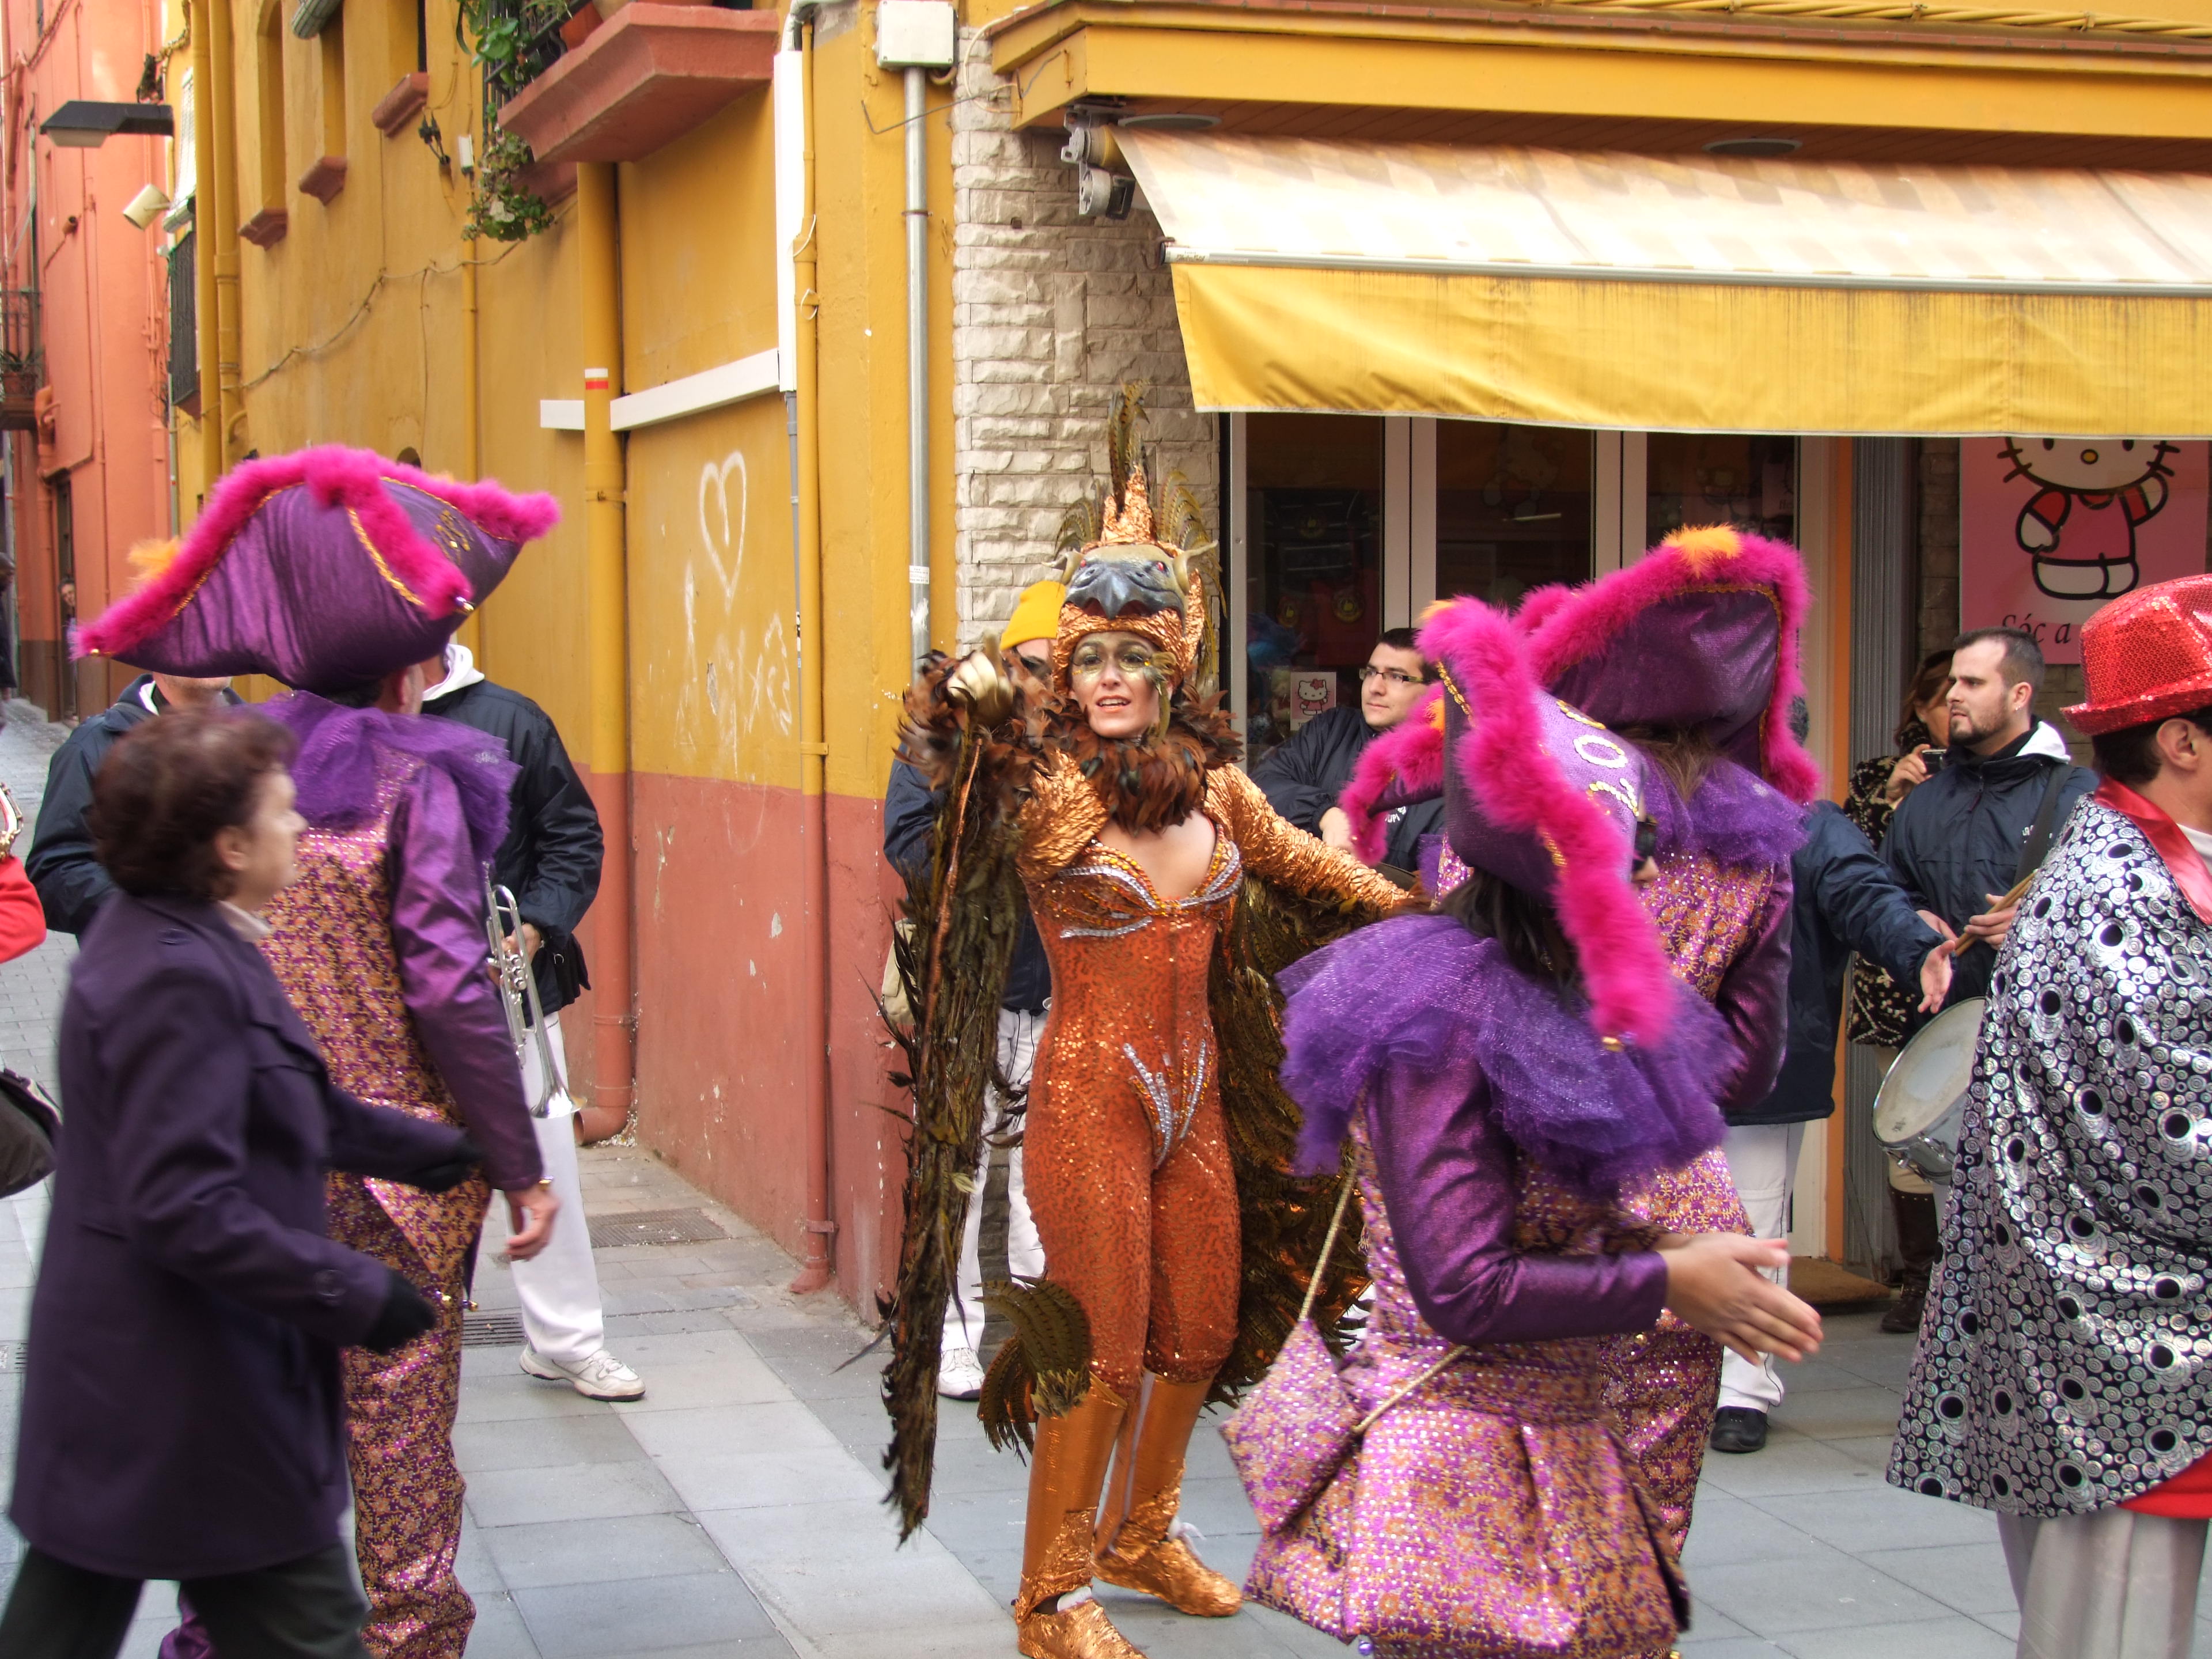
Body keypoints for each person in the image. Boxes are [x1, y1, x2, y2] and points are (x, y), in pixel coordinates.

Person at [882, 392, 1411, 1659]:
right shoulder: (1046, 793)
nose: (1112, 677)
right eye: (1091, 659)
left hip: (1197, 1097)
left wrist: (1452, 922)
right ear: (1064, 674)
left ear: (1174, 670)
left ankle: (1143, 1533)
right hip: (1089, 1097)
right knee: (1103, 1352)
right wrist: (966, 710)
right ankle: (1050, 1594)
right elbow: (953, 788)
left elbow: (1314, 874)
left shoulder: (1222, 790)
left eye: (1136, 655)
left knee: (1201, 1333)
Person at [1248, 593, 1822, 1658]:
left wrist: (1664, 1250)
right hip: (1460, 1469)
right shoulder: (1449, 1025)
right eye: (1626, 862)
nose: (1650, 882)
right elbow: (1465, 1284)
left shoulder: (1552, 1008)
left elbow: (1548, 1216)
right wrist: (1669, 1277)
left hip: (1562, 1441)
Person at [74, 445, 562, 1659]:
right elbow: (448, 989)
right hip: (389, 1177)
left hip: (240, 1160)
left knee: (247, 1425)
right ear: (408, 657)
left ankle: (225, 1639)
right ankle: (407, 1635)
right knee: (398, 1430)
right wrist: (518, 1164)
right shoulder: (415, 783)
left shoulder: (223, 774)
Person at [0, 709, 484, 1659]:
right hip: (173, 1383)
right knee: (305, 1629)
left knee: (71, 1618)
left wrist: (434, 1150)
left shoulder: (198, 939)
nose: (300, 826)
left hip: (166, 1389)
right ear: (228, 845)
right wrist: (355, 1291)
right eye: (282, 811)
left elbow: (283, 1099)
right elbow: (182, 1204)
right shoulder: (171, 973)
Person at [1889, 573, 2212, 1659]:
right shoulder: (2122, 888)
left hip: (2106, 1329)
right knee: (2112, 1624)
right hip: (2120, 1347)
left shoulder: (2124, 862)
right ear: (2182, 741)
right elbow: (2171, 1138)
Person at [1514, 525, 1816, 1566]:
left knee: (1515, 1490)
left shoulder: (1546, 818)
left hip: (1530, 1196)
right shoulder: (1759, 851)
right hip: (1687, 1210)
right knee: (1647, 1506)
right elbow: (1753, 1064)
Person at [1699, 703, 1955, 1453]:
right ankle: (1671, 1371)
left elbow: (1863, 894)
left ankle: (1742, 1389)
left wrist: (1915, 948)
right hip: (1659, 1057)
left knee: (1752, 1221)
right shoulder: (1659, 813)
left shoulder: (1810, 826)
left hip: (1764, 1061)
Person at [421, 640, 643, 1403]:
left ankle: (566, 1343)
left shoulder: (510, 719)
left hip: (509, 996)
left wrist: (536, 925)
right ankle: (408, 1347)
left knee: (546, 1161)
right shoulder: (347, 715)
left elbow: (572, 836)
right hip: (400, 1002)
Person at [881, 578, 1059, 1401]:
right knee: (957, 1166)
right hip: (970, 987)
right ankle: (948, 1338)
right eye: (1034, 664)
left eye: (1062, 666)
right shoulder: (948, 724)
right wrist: (999, 837)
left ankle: (1041, 1338)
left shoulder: (1085, 740)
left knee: (1042, 1178)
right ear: (1007, 658)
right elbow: (909, 845)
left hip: (1058, 991)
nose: (1047, 683)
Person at [1841, 649, 1961, 1331]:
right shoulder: (1877, 778)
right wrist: (1892, 799)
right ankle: (1920, 1281)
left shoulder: (1998, 781)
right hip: (1896, 987)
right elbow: (1851, 873)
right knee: (1909, 1134)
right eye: (1942, 697)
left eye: (1966, 690)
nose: (1955, 707)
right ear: (1919, 709)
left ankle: (1967, 1280)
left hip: (1973, 974)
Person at [25, 669, 236, 935]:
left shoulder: (265, 741)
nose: (208, 651)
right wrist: (162, 910)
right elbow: (55, 878)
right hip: (145, 955)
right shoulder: (93, 746)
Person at [1249, 627, 1442, 874]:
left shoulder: (1449, 771)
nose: (1375, 687)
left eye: (1396, 677)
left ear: (1434, 691)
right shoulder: (1332, 730)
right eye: (1371, 672)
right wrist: (1325, 814)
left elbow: (1441, 879)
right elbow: (1263, 784)